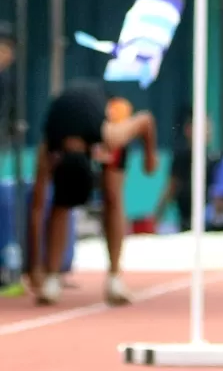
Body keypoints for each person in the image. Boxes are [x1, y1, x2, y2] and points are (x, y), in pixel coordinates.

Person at [29, 80, 159, 305]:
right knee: (60, 204)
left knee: (112, 194)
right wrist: (35, 267)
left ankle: (115, 277)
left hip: (108, 113)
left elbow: (146, 120)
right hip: (68, 118)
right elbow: (37, 209)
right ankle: (52, 277)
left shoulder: (111, 135)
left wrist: (150, 159)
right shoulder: (49, 149)